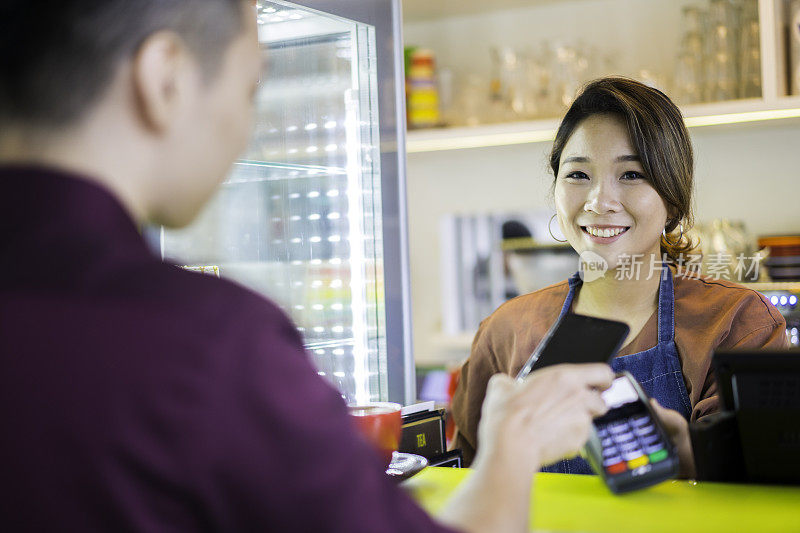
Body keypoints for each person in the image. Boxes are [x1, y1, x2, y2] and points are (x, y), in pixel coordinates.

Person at [0, 2, 614, 531]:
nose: (245, 131)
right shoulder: (207, 342)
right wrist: (514, 447)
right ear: (166, 79)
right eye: (249, 90)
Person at [451, 77, 788, 476]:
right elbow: (465, 485)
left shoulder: (738, 322)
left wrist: (688, 452)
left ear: (672, 198)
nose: (599, 202)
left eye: (631, 174)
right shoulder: (506, 331)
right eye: (578, 175)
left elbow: (761, 488)